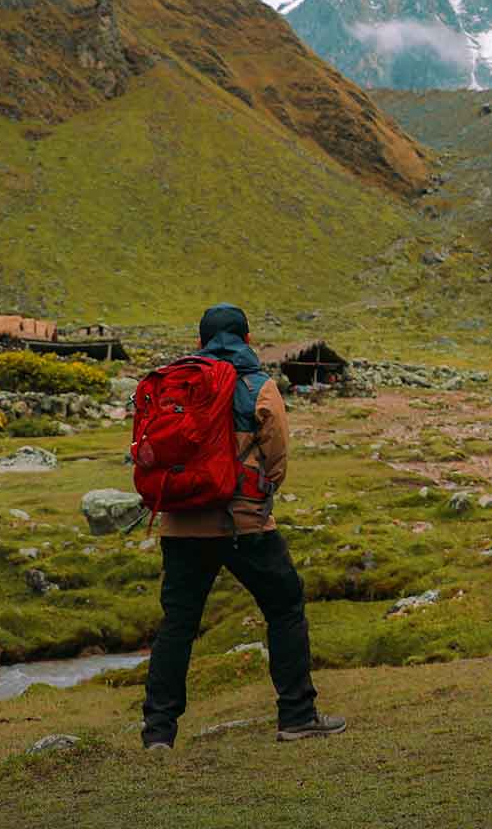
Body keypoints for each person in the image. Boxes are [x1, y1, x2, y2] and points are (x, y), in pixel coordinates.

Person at [140, 303, 346, 749]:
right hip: (245, 526)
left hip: (181, 526)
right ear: (248, 340)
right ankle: (296, 715)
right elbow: (277, 460)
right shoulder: (259, 385)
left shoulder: (178, 385)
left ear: (199, 342)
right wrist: (258, 497)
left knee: (177, 624)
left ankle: (158, 733)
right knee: (285, 607)